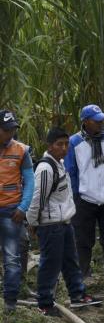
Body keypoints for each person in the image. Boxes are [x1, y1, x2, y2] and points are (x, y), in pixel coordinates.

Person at [27, 128, 99, 315]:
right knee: (50, 264)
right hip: (51, 225)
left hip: (64, 222)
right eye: (59, 144)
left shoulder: (58, 163)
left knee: (70, 261)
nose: (64, 148)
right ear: (49, 145)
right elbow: (38, 198)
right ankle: (45, 303)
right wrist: (33, 223)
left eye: (66, 144)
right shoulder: (45, 168)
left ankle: (78, 294)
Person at [66, 104, 104, 285]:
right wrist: (76, 194)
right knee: (83, 238)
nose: (101, 123)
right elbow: (71, 170)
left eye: (102, 120)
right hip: (85, 198)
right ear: (85, 121)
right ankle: (84, 272)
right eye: (96, 120)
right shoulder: (74, 142)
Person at [0, 110, 34, 312]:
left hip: (12, 212)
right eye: (6, 130)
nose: (10, 133)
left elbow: (30, 181)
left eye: (13, 129)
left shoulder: (21, 150)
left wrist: (23, 207)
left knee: (12, 258)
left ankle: (10, 302)